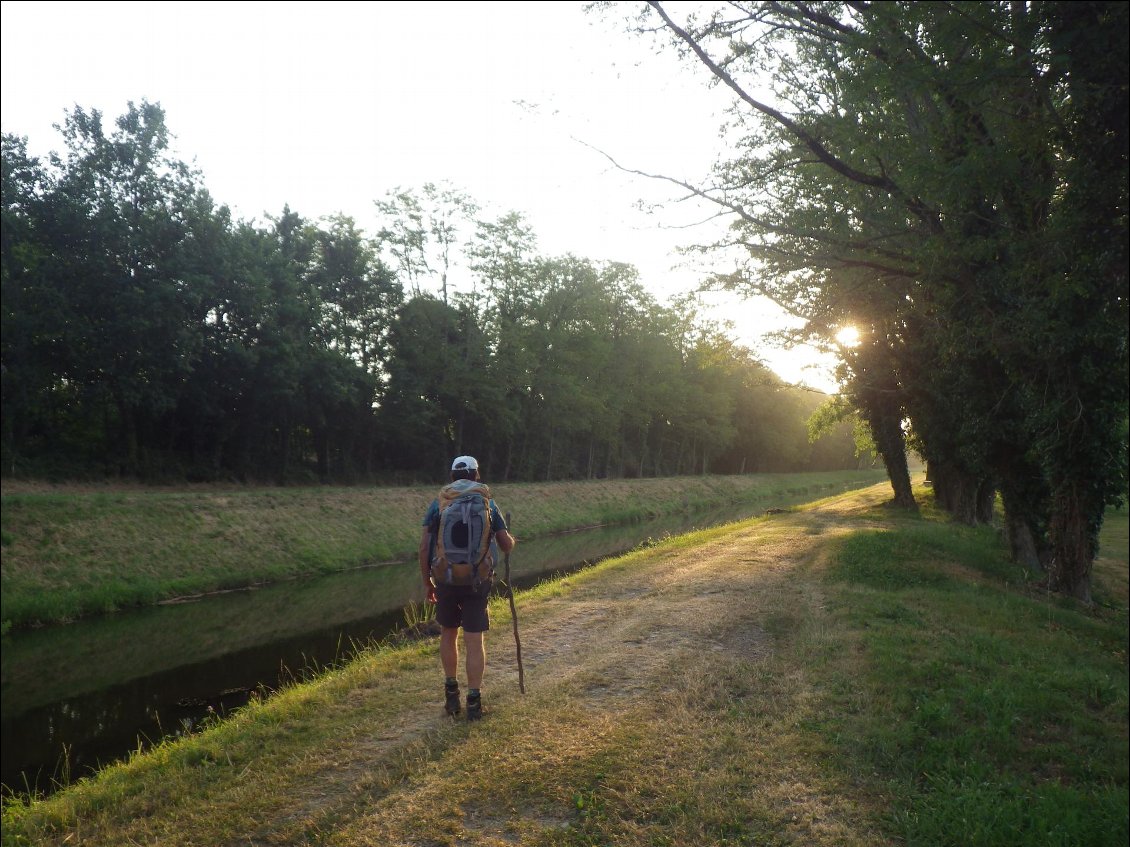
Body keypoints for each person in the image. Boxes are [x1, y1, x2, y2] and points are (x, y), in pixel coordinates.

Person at [419, 455, 516, 720]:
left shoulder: (439, 503)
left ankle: (451, 695)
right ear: (476, 475)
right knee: (474, 639)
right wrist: (510, 539)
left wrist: (427, 581)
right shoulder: (488, 503)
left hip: (445, 579)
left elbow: (426, 546)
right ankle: (474, 701)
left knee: (448, 634)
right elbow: (505, 545)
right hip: (477, 580)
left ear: (452, 476)